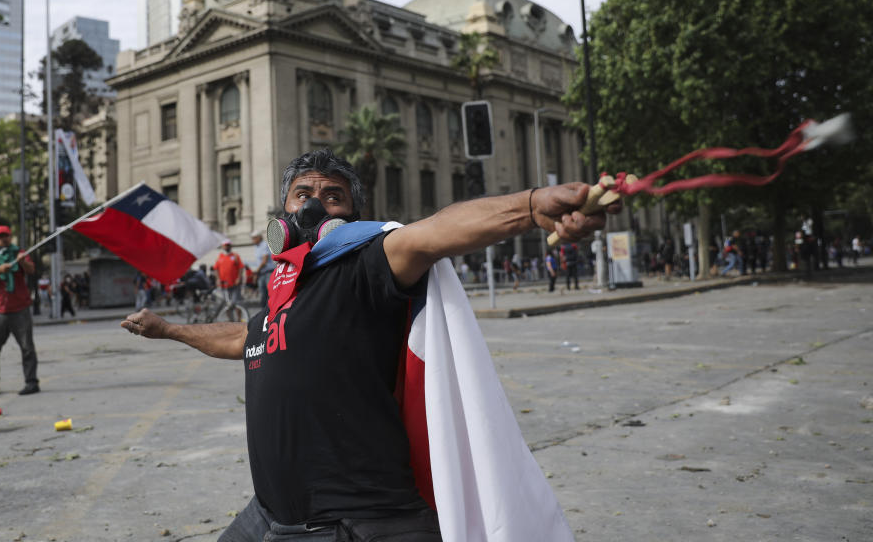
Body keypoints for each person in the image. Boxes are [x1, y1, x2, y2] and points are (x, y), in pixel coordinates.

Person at [121, 149, 619, 541]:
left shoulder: (365, 264)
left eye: (332, 196)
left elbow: (433, 233)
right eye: (302, 194)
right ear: (284, 210)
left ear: (354, 214)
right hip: (271, 516)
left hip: (354, 523)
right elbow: (241, 337)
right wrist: (170, 330)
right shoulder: (285, 289)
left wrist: (531, 207)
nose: (314, 205)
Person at [0, 225, 38, 396]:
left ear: (10, 237)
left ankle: (31, 382)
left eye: (6, 236)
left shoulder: (19, 253)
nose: (4, 239)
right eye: (0, 237)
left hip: (20, 308)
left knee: (27, 347)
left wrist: (21, 261)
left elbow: (31, 269)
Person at [214, 240, 245, 320]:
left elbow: (241, 267)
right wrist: (217, 279)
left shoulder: (235, 256)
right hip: (224, 285)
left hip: (234, 284)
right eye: (225, 245)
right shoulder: (220, 256)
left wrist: (239, 278)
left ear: (230, 246)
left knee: (237, 303)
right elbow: (216, 268)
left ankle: (239, 320)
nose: (227, 247)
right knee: (227, 304)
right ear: (223, 246)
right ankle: (231, 321)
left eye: (228, 245)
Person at [250, 229, 275, 309]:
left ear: (259, 237)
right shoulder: (256, 247)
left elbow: (264, 261)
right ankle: (264, 311)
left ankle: (271, 309)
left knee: (269, 293)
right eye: (252, 238)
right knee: (263, 294)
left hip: (268, 272)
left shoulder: (264, 245)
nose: (253, 240)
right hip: (262, 273)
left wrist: (256, 271)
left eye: (254, 238)